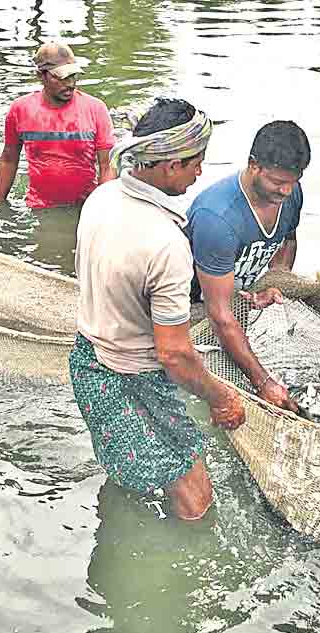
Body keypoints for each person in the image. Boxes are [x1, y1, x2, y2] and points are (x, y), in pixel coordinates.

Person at [70, 97, 245, 521]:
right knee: (195, 495)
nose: (201, 172)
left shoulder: (103, 197)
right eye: (195, 162)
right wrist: (222, 397)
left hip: (87, 360)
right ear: (169, 165)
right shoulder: (165, 244)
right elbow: (174, 355)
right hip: (131, 377)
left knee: (135, 466)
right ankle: (184, 568)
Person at [184, 121, 310, 411]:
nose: (287, 190)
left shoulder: (291, 195)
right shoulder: (217, 217)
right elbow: (219, 315)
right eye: (278, 182)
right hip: (192, 310)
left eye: (294, 180)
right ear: (254, 166)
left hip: (232, 299)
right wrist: (264, 383)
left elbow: (287, 241)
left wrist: (275, 282)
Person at [0, 42, 116, 210]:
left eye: (73, 76)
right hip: (38, 207)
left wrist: (103, 208)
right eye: (61, 77)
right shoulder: (20, 109)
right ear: (41, 76)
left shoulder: (95, 108)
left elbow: (107, 165)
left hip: (85, 206)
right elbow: (8, 159)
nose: (70, 84)